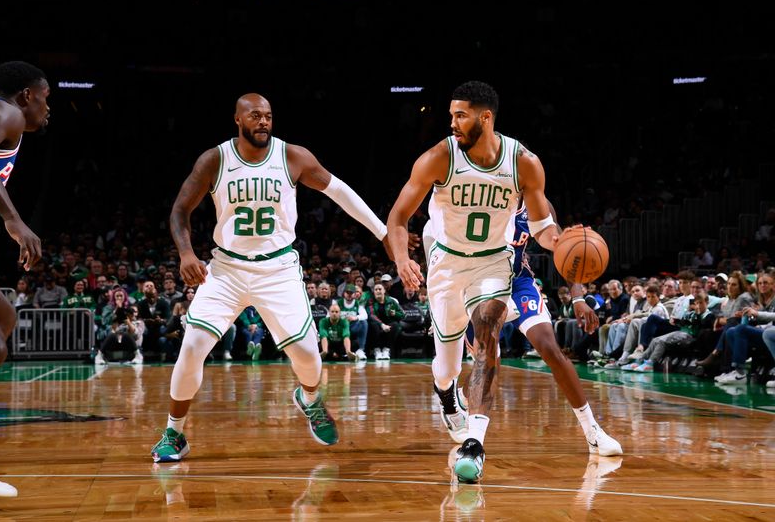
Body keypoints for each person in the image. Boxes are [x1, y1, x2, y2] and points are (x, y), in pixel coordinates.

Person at [388, 81, 619, 484]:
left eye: (460, 115)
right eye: (451, 115)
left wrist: (563, 243)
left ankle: (475, 444)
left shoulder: (524, 163)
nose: (453, 123)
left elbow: (546, 229)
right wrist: (403, 258)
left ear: (485, 117)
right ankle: (446, 394)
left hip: (496, 265)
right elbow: (397, 219)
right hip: (446, 266)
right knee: (447, 368)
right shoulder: (438, 158)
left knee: (490, 332)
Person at [151, 93, 391, 462]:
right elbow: (180, 210)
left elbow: (339, 191)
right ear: (237, 119)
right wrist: (185, 252)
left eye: (268, 116)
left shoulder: (292, 156)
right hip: (227, 269)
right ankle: (174, 433)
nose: (263, 122)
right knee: (192, 348)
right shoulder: (215, 160)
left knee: (309, 356)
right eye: (255, 116)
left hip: (278, 269)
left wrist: (383, 233)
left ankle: (309, 399)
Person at [0, 61, 48, 499]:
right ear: (26, 95)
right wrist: (13, 219)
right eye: (46, 98)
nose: (47, 108)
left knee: (2, 320)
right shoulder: (4, 113)